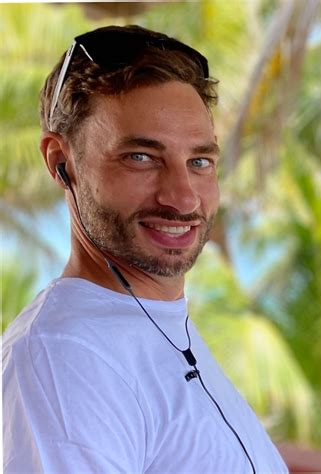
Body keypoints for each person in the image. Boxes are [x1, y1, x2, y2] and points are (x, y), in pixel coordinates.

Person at [3, 25, 288, 474]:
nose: (184, 198)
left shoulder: (156, 321)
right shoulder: (67, 355)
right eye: (141, 157)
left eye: (199, 162)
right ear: (61, 162)